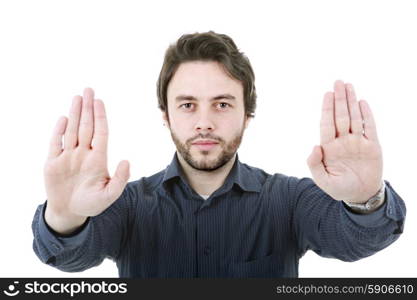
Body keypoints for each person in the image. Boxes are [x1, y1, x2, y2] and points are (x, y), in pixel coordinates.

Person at [32, 31, 406, 278]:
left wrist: (364, 199)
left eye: (223, 104)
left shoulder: (288, 200)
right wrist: (66, 216)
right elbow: (68, 257)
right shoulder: (127, 204)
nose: (205, 123)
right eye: (188, 105)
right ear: (166, 116)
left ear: (248, 114)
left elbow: (358, 241)